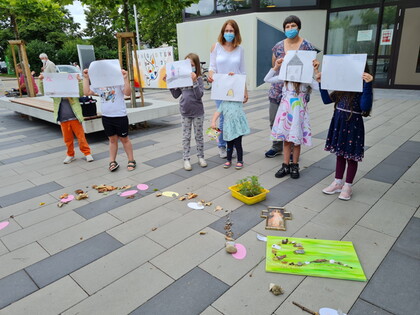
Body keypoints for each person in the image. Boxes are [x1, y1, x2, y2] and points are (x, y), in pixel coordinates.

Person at [317, 66, 373, 200]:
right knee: (340, 155)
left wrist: (368, 85)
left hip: (353, 126)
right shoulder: (342, 87)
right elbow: (326, 100)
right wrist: (321, 83)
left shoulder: (362, 88)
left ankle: (348, 186)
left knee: (351, 156)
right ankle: (337, 182)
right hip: (339, 124)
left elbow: (365, 107)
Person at [265, 15, 317, 159]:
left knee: (295, 121)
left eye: (293, 26)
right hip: (278, 89)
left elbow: (310, 67)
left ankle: (293, 148)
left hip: (297, 91)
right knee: (274, 119)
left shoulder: (307, 46)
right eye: (287, 26)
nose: (290, 29)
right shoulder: (278, 46)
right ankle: (277, 146)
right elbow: (274, 66)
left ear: (298, 27)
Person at [264, 58, 320, 179]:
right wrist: (276, 67)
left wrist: (316, 72)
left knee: (296, 141)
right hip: (286, 115)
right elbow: (267, 79)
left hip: (298, 116)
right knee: (286, 140)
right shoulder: (285, 78)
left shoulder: (306, 80)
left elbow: (321, 88)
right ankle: (285, 165)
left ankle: (295, 165)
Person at [83, 68, 136, 172]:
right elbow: (87, 92)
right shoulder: (98, 83)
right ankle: (112, 161)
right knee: (112, 140)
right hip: (107, 116)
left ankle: (131, 160)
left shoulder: (118, 80)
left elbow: (128, 93)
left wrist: (125, 78)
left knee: (124, 139)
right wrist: (86, 78)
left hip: (120, 115)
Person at [208, 19, 248, 158]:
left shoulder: (240, 49)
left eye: (231, 31)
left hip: (235, 89)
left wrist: (245, 91)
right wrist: (211, 74)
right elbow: (212, 66)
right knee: (222, 117)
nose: (228, 33)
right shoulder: (216, 47)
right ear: (222, 32)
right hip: (220, 87)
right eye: (226, 31)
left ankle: (233, 144)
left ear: (236, 32)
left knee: (233, 117)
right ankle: (221, 145)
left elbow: (242, 71)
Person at [39, 74, 93, 164]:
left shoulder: (73, 92)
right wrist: (41, 81)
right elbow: (45, 91)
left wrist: (79, 81)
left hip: (75, 118)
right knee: (67, 139)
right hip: (63, 119)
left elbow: (80, 93)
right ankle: (70, 154)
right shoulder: (56, 94)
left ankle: (87, 153)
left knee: (81, 137)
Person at [167, 53, 207, 171]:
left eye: (192, 65)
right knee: (186, 136)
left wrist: (194, 81)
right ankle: (186, 159)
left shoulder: (199, 79)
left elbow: (199, 95)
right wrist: (170, 84)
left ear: (196, 66)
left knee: (199, 136)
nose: (190, 67)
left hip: (198, 112)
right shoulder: (181, 80)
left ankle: (201, 157)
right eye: (187, 65)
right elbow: (175, 95)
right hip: (185, 111)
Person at [210, 95, 250, 170]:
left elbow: (244, 98)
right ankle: (229, 160)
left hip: (237, 128)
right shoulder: (223, 103)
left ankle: (240, 160)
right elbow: (217, 112)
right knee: (229, 145)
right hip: (228, 128)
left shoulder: (238, 101)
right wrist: (213, 121)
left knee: (238, 145)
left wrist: (244, 94)